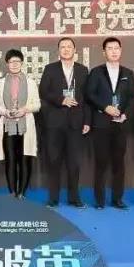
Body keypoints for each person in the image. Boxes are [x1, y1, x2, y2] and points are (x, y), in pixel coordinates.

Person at [38, 37, 90, 208]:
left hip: (76, 123)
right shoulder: (50, 68)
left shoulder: (82, 70)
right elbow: (43, 91)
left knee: (74, 163)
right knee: (54, 161)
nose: (66, 49)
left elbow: (87, 98)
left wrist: (87, 121)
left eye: (69, 47)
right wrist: (61, 100)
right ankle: (53, 198)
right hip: (54, 123)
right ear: (58, 50)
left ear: (75, 50)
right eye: (63, 47)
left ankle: (74, 198)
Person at [85, 37, 134, 210]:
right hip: (101, 124)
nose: (113, 51)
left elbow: (132, 97)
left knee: (119, 163)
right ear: (104, 52)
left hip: (120, 124)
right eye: (110, 48)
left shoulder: (128, 73)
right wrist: (105, 107)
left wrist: (125, 114)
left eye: (116, 48)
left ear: (121, 50)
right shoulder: (96, 72)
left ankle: (117, 199)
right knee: (101, 163)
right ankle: (99, 200)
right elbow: (90, 94)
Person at [0, 49, 41, 199]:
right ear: (7, 64)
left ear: (22, 63)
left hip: (26, 124)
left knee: (25, 159)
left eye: (17, 61)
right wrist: (6, 112)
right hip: (7, 125)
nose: (14, 64)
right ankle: (12, 192)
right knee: (11, 160)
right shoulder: (1, 83)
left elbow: (37, 104)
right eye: (11, 62)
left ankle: (22, 193)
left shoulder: (30, 83)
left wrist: (24, 110)